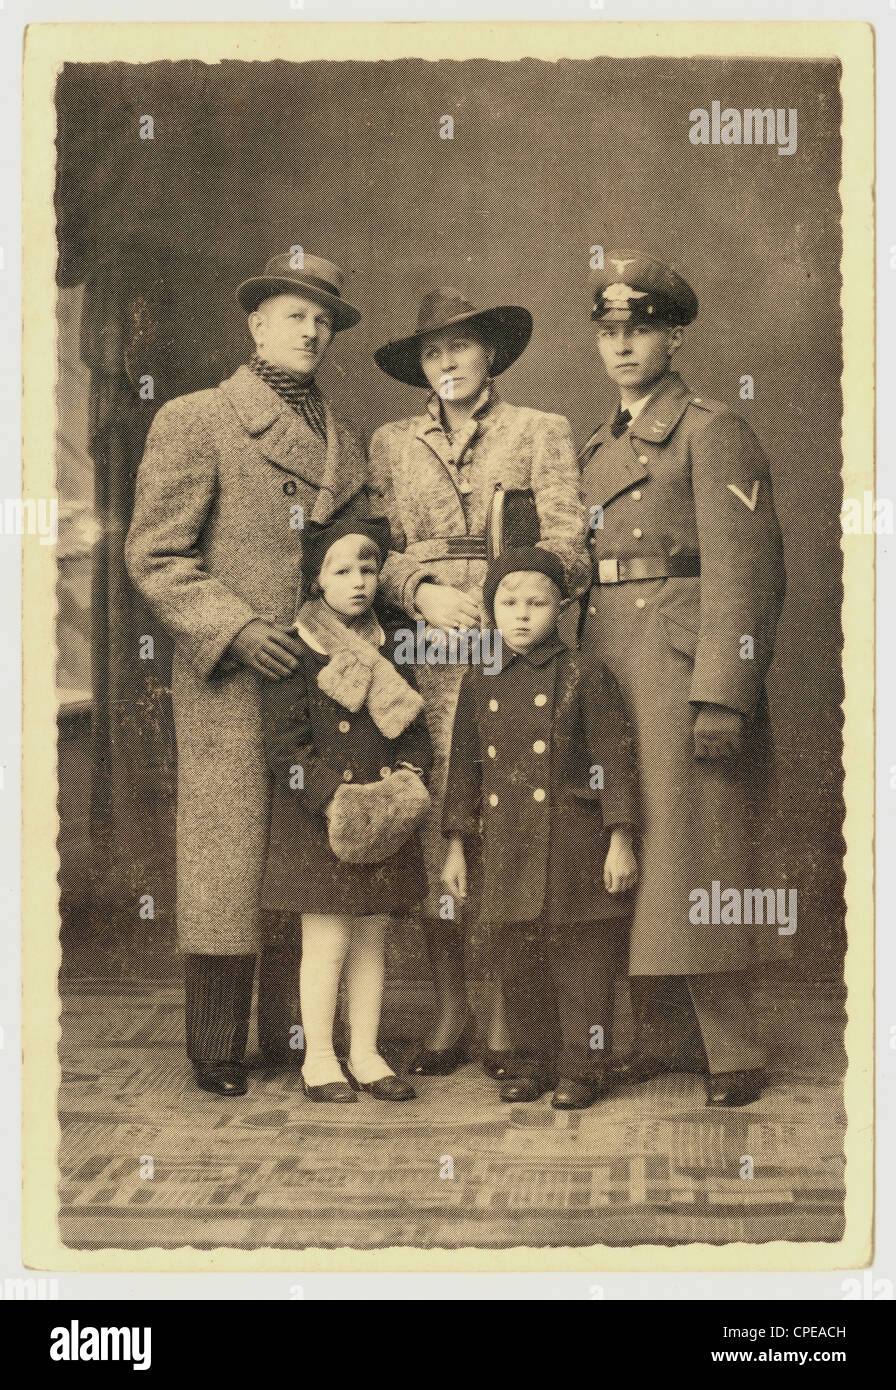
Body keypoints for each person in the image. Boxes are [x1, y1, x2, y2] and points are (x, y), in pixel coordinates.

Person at [125, 251, 370, 1095]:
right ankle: (218, 1047)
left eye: (324, 318)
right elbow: (155, 556)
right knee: (228, 864)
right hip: (235, 680)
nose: (311, 329)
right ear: (255, 324)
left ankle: (299, 1039)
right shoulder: (199, 419)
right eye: (294, 313)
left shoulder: (345, 437)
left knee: (304, 852)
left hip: (321, 681)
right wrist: (234, 629)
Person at [578, 251, 788, 1108]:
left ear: (674, 336)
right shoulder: (596, 447)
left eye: (643, 330)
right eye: (611, 332)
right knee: (628, 847)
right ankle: (660, 1040)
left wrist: (723, 694)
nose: (625, 347)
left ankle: (733, 1048)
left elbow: (748, 572)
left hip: (679, 664)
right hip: (608, 664)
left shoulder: (713, 429)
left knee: (697, 848)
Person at [370, 289, 590, 1077]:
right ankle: (448, 1007)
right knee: (441, 823)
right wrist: (420, 591)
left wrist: (515, 600)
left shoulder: (541, 431)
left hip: (516, 651)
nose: (448, 363)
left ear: (490, 354)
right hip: (429, 656)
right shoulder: (392, 442)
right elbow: (379, 549)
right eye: (433, 353)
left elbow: (572, 545)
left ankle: (508, 1013)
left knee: (512, 820)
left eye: (461, 348)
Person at [441, 548, 639, 1108]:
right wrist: (456, 846)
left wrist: (620, 839)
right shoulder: (481, 678)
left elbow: (614, 762)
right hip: (505, 842)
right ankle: (529, 1063)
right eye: (508, 602)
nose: (522, 614)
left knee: (580, 962)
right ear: (491, 607)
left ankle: (582, 1070)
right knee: (518, 961)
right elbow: (464, 768)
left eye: (537, 602)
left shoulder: (584, 674)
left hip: (571, 842)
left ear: (562, 608)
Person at [259, 516, 431, 1103]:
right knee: (327, 940)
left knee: (373, 938)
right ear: (316, 579)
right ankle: (320, 1057)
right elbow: (285, 749)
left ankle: (366, 1050)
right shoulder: (299, 649)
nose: (358, 581)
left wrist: (405, 783)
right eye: (341, 570)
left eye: (368, 568)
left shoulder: (393, 645)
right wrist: (335, 796)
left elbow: (413, 725)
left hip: (383, 816)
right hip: (322, 820)